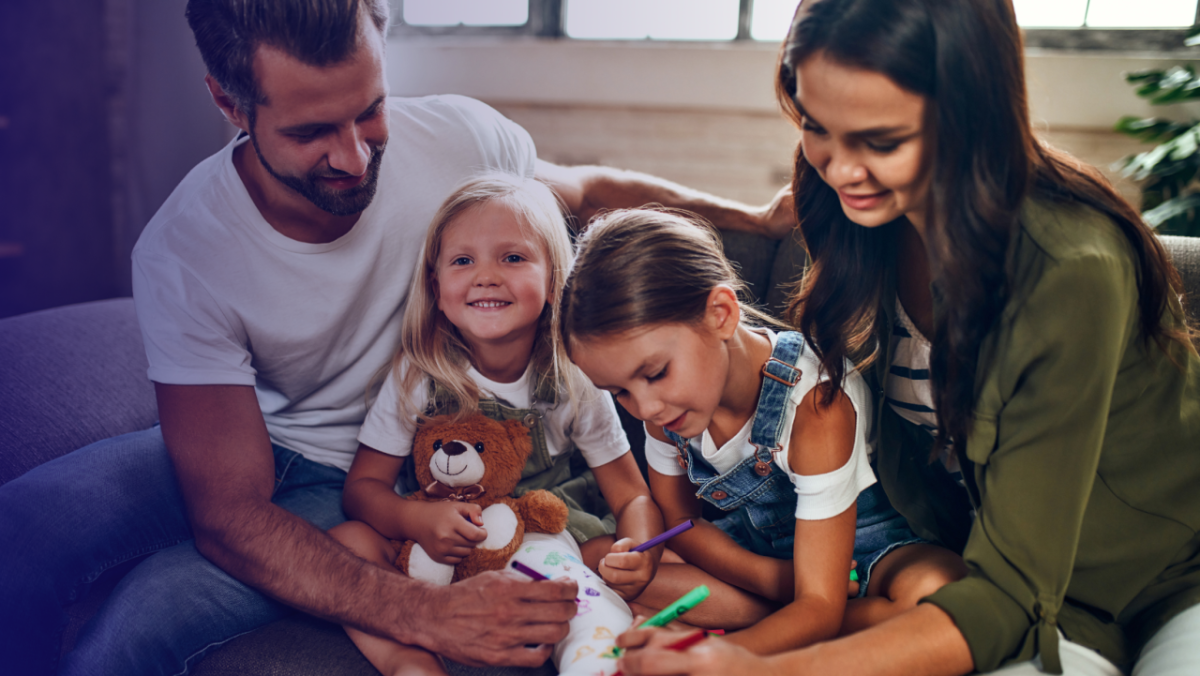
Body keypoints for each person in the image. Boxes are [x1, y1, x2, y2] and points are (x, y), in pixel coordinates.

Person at [0, 1, 794, 674]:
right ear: (229, 103)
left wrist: (747, 216)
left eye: (369, 109)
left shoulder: (455, 140)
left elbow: (587, 192)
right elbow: (231, 512)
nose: (354, 155)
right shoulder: (186, 249)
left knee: (141, 620)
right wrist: (424, 614)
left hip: (380, 470)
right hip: (252, 442)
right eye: (313, 130)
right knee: (23, 531)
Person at [614, 0, 1200, 675]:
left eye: (882, 142)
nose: (839, 169)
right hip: (1017, 597)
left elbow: (1009, 594)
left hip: (1169, 582)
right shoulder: (857, 212)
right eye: (816, 125)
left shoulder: (1071, 270)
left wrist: (753, 667)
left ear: (970, 116)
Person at [560, 209, 966, 655]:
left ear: (720, 314)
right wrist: (769, 580)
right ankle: (776, 616)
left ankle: (763, 620)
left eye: (655, 373)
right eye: (619, 392)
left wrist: (724, 657)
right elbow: (678, 522)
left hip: (863, 555)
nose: (646, 408)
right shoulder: (663, 409)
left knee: (936, 594)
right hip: (758, 555)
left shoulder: (816, 406)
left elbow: (822, 599)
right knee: (597, 555)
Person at [330, 173, 663, 676]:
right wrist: (414, 521)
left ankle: (593, 659)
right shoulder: (419, 374)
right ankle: (410, 663)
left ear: (554, 280)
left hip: (537, 537)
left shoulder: (574, 376)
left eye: (513, 257)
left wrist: (633, 551)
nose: (486, 276)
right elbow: (363, 488)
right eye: (463, 260)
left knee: (584, 580)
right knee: (345, 545)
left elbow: (632, 496)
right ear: (435, 286)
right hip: (434, 546)